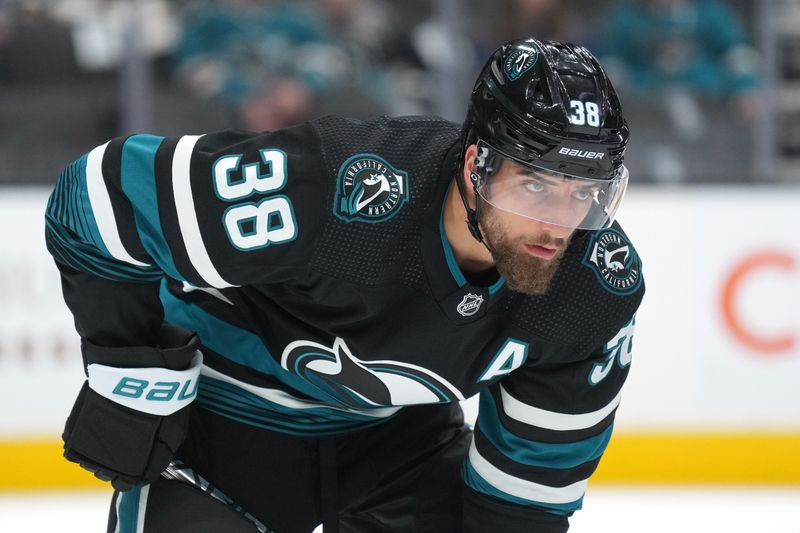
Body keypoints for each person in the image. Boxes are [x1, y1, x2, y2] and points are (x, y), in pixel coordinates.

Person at [45, 37, 644, 533]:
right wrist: (132, 365)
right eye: (536, 185)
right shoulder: (334, 191)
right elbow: (99, 196)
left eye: (586, 192)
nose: (559, 223)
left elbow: (525, 500)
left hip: (399, 451)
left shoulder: (594, 289)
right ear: (474, 166)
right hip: (217, 435)